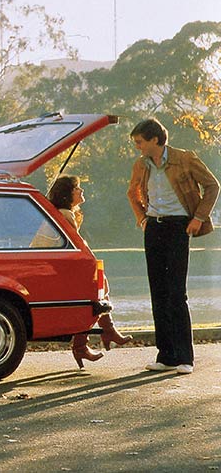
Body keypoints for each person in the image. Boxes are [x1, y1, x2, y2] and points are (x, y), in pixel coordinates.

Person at [127, 118, 219, 375]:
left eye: (140, 142)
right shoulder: (141, 164)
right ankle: (165, 355)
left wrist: (198, 218)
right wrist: (142, 218)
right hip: (154, 227)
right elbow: (132, 192)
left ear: (155, 139)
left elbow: (213, 186)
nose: (137, 147)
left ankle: (185, 358)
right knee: (158, 292)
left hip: (179, 226)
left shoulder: (185, 158)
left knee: (177, 292)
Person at [47, 175, 133, 369]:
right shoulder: (65, 215)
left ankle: (97, 338)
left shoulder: (59, 213)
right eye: (77, 188)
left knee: (97, 288)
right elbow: (79, 249)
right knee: (93, 292)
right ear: (67, 194)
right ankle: (96, 338)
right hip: (57, 273)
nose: (81, 191)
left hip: (55, 270)